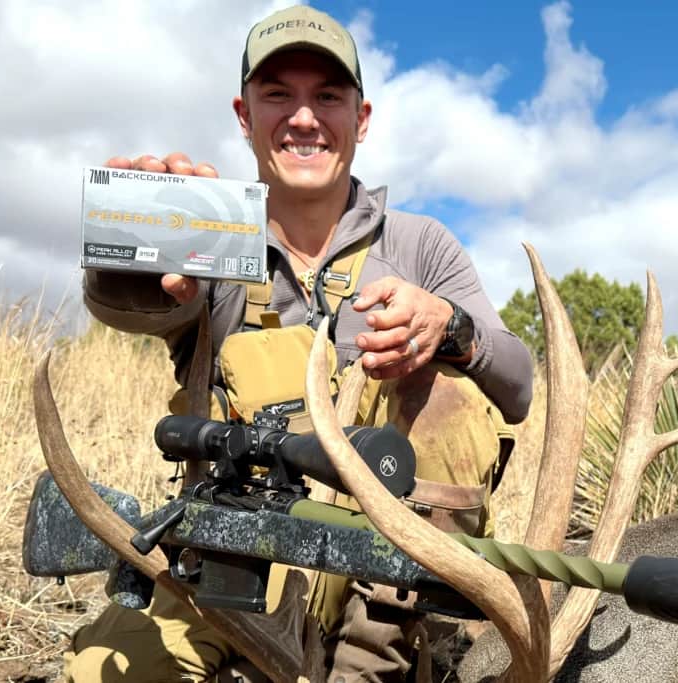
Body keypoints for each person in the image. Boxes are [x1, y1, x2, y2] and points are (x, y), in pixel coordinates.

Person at [65, 5, 533, 682]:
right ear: (244, 113)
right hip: (229, 561)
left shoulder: (421, 245)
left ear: (361, 118)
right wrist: (132, 255)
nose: (304, 117)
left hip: (381, 580)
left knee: (448, 394)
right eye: (278, 94)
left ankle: (376, 661)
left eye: (328, 96)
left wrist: (449, 325)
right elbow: (124, 302)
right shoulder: (214, 241)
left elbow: (517, 386)